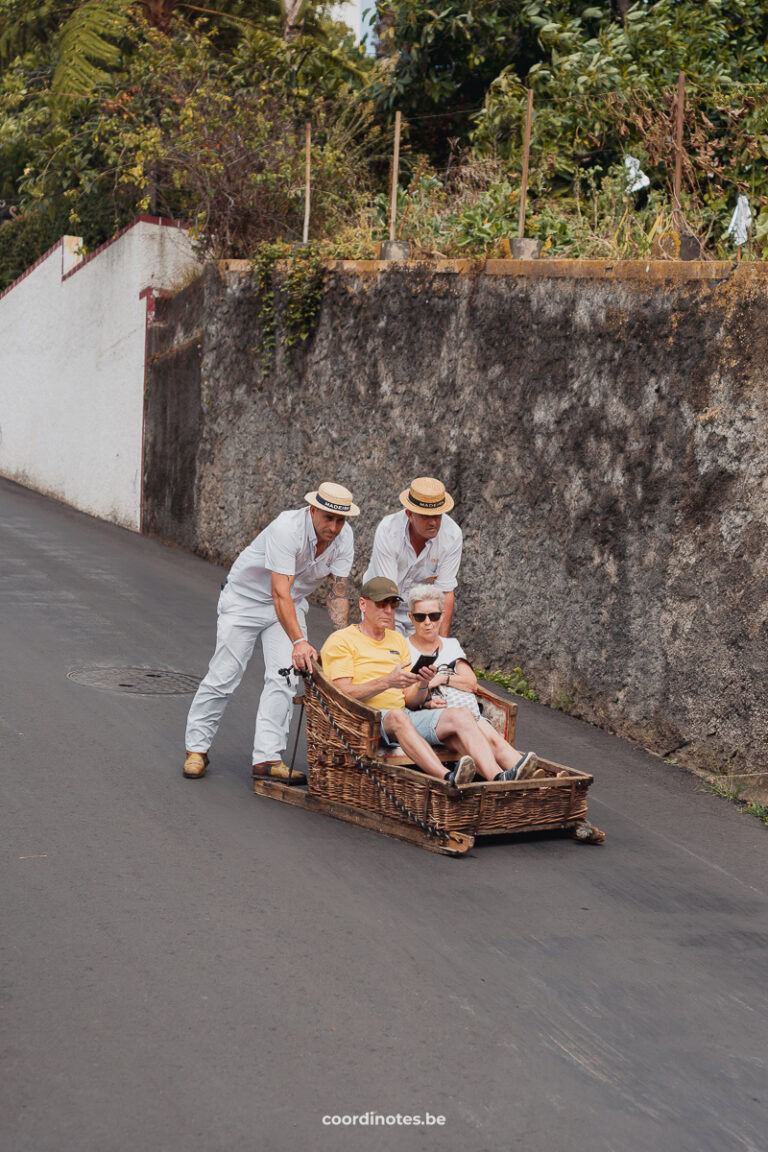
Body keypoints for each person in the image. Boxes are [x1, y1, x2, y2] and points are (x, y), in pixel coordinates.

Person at [183, 482, 359, 782]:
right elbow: (280, 592)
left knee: (285, 677)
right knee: (225, 675)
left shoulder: (344, 539)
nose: (334, 526)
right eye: (328, 517)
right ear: (313, 509)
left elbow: (338, 593)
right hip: (246, 601)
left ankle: (267, 758)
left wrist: (347, 638)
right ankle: (196, 750)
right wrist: (300, 642)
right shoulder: (286, 528)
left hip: (290, 605)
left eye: (340, 520)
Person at [320, 577, 533, 787]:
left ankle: (498, 777)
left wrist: (422, 683)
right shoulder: (342, 641)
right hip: (365, 717)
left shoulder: (395, 640)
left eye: (393, 604)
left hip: (404, 714)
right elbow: (341, 694)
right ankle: (447, 778)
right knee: (397, 716)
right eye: (381, 603)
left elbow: (410, 701)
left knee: (461, 715)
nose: (388, 610)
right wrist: (386, 682)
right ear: (363, 604)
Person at [404, 583, 543, 782]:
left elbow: (471, 683)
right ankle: (514, 781)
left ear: (442, 616)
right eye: (420, 617)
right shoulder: (404, 647)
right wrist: (427, 693)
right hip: (433, 715)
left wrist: (442, 678)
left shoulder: (451, 645)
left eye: (433, 616)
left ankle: (537, 784)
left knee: (493, 738)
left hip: (464, 710)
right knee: (476, 729)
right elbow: (406, 698)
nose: (428, 622)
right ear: (411, 618)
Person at [363, 477, 462, 637]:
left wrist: (440, 646)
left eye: (437, 515)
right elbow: (386, 592)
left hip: (421, 611)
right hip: (381, 603)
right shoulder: (388, 530)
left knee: (429, 659)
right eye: (425, 516)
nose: (433, 523)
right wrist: (392, 651)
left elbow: (445, 593)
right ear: (409, 514)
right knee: (385, 658)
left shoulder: (452, 535)